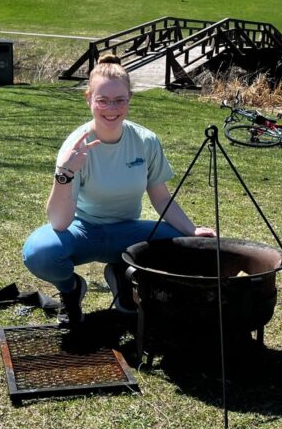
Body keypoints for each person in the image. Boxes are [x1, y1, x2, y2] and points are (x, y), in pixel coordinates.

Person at [22, 54, 215, 327]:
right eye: (102, 100)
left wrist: (192, 231)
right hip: (84, 230)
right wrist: (65, 173)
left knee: (188, 247)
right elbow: (60, 222)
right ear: (88, 98)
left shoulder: (145, 141)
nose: (111, 108)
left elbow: (160, 197)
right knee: (39, 252)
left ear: (129, 99)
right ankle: (70, 290)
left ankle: (123, 273)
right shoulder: (76, 146)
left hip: (129, 231)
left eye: (119, 100)